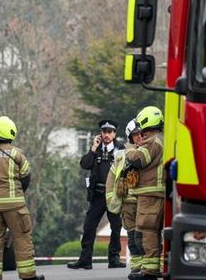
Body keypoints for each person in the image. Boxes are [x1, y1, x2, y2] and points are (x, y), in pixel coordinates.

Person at [0, 116, 44, 280]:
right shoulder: (16, 154)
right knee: (22, 238)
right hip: (14, 206)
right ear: (11, 132)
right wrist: (18, 193)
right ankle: (28, 276)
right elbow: (26, 175)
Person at [68, 119, 127, 270]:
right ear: (101, 133)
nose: (106, 135)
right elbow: (84, 164)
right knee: (89, 226)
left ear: (114, 134)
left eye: (109, 132)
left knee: (116, 226)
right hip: (98, 195)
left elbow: (126, 169)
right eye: (104, 132)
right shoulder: (97, 149)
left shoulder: (120, 149)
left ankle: (114, 259)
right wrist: (93, 148)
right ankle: (85, 260)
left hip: (113, 194)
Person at [125, 106, 165, 280]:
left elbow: (138, 159)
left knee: (147, 231)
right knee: (152, 231)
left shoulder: (151, 142)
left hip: (150, 194)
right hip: (153, 194)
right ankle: (152, 268)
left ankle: (149, 272)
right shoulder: (160, 140)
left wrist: (128, 150)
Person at [106, 119, 145, 275]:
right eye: (136, 135)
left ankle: (149, 267)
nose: (140, 137)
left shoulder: (151, 152)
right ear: (130, 137)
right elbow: (112, 179)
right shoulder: (121, 156)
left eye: (142, 134)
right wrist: (114, 203)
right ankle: (136, 267)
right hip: (128, 203)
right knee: (132, 237)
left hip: (146, 202)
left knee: (146, 236)